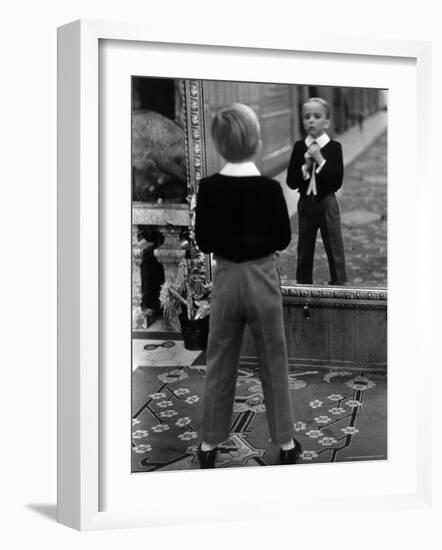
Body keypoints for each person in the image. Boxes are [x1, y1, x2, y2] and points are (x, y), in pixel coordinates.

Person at [195, 103, 301, 469]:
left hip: (226, 280)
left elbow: (204, 241)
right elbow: (283, 238)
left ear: (219, 145)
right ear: (256, 142)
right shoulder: (270, 190)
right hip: (262, 279)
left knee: (219, 359)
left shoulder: (207, 189)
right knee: (274, 358)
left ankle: (208, 444)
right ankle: (285, 441)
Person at [286, 97, 347, 285]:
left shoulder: (335, 148)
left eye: (317, 116)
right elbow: (291, 182)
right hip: (305, 203)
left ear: (327, 122)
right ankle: (304, 285)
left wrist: (320, 159)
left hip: (327, 203)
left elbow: (336, 182)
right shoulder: (298, 147)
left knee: (334, 246)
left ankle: (338, 284)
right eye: (307, 117)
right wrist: (304, 167)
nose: (311, 120)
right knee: (304, 248)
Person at [137, 227, 165, 326]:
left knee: (155, 282)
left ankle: (155, 308)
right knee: (148, 282)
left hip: (155, 258)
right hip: (148, 258)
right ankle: (150, 308)